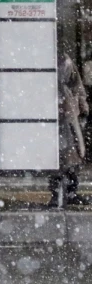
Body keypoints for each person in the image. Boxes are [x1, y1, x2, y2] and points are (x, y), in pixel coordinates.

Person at [51, 52, 89, 207]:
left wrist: (81, 106)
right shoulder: (63, 60)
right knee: (65, 157)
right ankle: (63, 192)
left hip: (66, 114)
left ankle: (63, 192)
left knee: (68, 156)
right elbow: (78, 87)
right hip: (64, 115)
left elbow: (77, 86)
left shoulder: (63, 60)